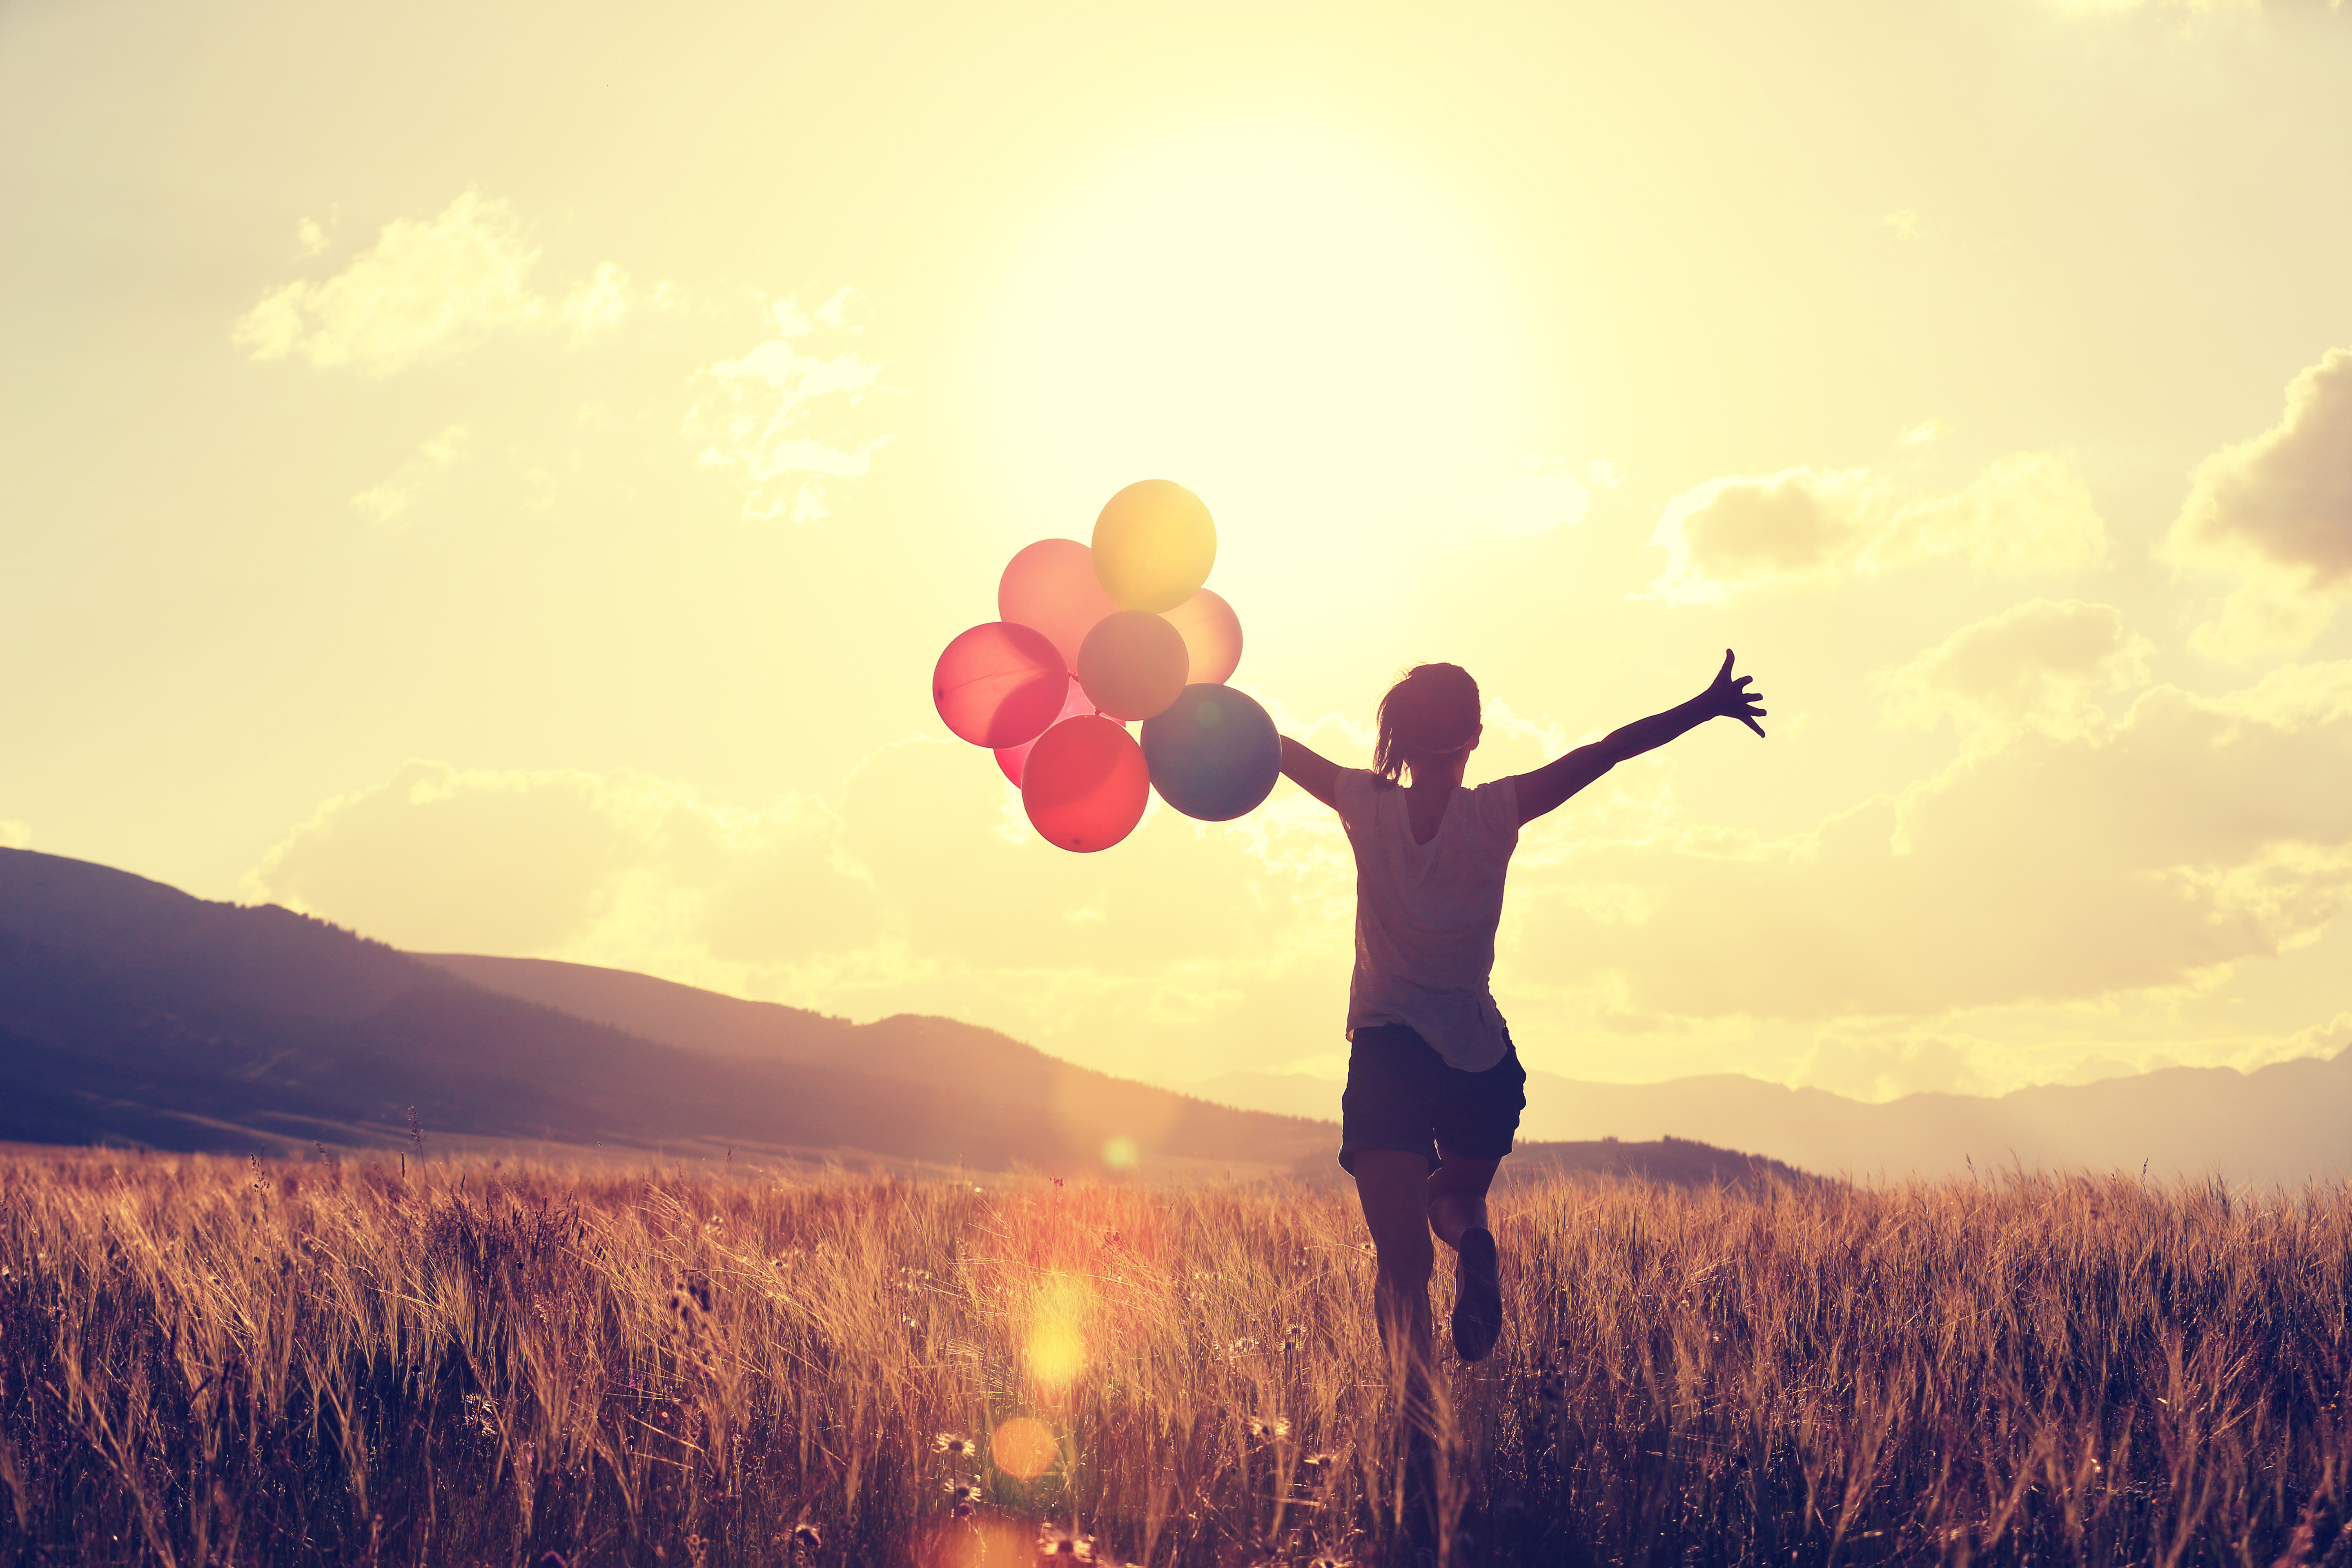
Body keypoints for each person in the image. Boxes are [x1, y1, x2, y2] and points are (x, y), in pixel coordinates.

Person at [1278, 650, 1766, 1370]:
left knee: (1402, 1264)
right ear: (1475, 736)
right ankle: (1473, 1242)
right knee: (1455, 1200)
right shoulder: (1495, 811)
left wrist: (1179, 699)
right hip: (1479, 1064)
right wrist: (1704, 706)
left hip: (1388, 1055)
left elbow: (1275, 749)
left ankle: (1418, 1418)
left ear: (1401, 739)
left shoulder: (1364, 803)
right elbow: (1607, 752)